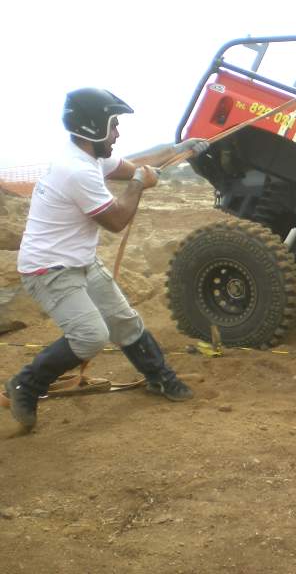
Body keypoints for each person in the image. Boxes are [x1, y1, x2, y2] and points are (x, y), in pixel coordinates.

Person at [4, 88, 209, 432]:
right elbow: (116, 221)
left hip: (78, 260)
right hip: (48, 269)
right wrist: (138, 186)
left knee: (123, 320)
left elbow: (138, 164)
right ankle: (26, 384)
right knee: (90, 335)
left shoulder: (89, 158)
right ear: (93, 127)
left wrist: (180, 148)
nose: (117, 133)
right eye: (113, 125)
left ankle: (160, 377)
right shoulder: (77, 170)